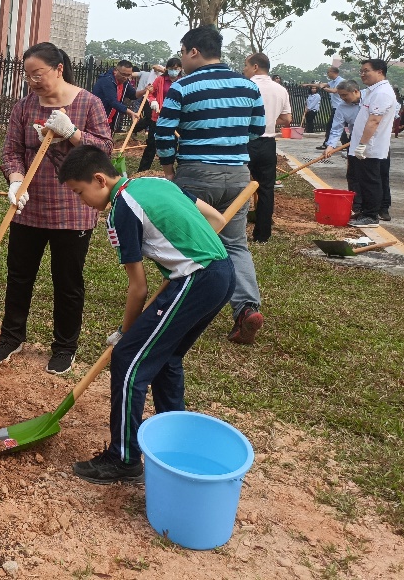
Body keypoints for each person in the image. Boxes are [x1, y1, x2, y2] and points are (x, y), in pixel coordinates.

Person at [58, 145, 234, 484]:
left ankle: (123, 459)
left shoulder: (122, 209)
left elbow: (137, 287)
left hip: (194, 280)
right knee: (166, 358)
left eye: (80, 193)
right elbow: (217, 220)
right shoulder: (156, 182)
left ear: (99, 179)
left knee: (128, 360)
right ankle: (175, 442)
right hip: (222, 273)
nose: (82, 201)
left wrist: (126, 333)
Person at [0, 42, 113, 373]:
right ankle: (12, 336)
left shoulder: (89, 103)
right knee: (19, 276)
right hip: (29, 207)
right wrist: (16, 181)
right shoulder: (25, 107)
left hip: (73, 210)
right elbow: (12, 150)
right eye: (28, 76)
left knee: (67, 280)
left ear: (58, 69)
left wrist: (72, 133)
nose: (32, 81)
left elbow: (104, 151)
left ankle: (64, 346)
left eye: (38, 74)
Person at [155, 25, 267, 345]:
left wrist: (168, 171)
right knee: (234, 244)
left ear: (193, 51)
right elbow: (257, 131)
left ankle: (178, 307)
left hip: (196, 175)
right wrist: (229, 146)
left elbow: (164, 134)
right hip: (237, 177)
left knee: (186, 243)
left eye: (181, 52)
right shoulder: (247, 87)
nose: (180, 59)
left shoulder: (182, 87)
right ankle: (246, 308)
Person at [244, 53, 292, 243]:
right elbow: (287, 119)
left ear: (255, 67)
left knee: (237, 186)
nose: (244, 69)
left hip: (245, 141)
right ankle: (262, 235)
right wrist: (269, 122)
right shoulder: (280, 90)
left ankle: (233, 231)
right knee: (266, 189)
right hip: (268, 144)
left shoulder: (245, 85)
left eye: (246, 66)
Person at [347, 58, 398, 227]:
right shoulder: (373, 91)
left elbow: (374, 121)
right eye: (361, 71)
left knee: (371, 180)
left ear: (379, 72)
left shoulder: (382, 93)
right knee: (364, 179)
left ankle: (371, 216)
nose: (362, 74)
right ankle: (366, 212)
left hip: (370, 146)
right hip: (364, 145)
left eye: (366, 70)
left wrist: (363, 144)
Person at [136, 58, 182, 173]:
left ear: (180, 69)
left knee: (174, 144)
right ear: (167, 69)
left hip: (176, 118)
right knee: (152, 144)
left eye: (176, 69)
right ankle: (142, 171)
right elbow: (150, 93)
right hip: (158, 117)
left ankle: (174, 171)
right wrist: (153, 101)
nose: (173, 71)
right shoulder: (160, 80)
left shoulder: (183, 81)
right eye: (171, 68)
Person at [325, 81, 363, 208]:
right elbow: (336, 128)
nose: (342, 98)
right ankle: (356, 206)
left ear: (355, 91)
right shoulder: (342, 107)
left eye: (344, 95)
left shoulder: (370, 101)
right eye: (340, 95)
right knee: (353, 174)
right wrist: (330, 146)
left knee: (376, 174)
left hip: (375, 139)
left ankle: (381, 207)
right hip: (354, 140)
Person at [91, 60, 139, 134]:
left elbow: (133, 95)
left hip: (109, 121)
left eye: (128, 75)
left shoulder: (124, 82)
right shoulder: (107, 80)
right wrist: (130, 112)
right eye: (123, 74)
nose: (125, 77)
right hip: (97, 119)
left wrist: (145, 90)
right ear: (116, 70)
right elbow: (112, 101)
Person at [318, 67, 344, 150]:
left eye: (328, 72)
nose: (327, 74)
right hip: (336, 107)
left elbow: (334, 91)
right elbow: (323, 84)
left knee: (330, 125)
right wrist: (309, 85)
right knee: (337, 126)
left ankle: (327, 143)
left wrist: (324, 88)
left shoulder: (341, 81)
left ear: (333, 72)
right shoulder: (332, 81)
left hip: (340, 107)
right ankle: (345, 143)